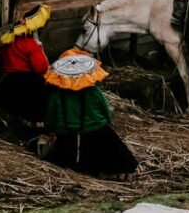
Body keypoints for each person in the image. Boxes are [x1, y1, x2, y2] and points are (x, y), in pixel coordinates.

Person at [42, 49, 139, 178]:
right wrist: (108, 123)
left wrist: (52, 130)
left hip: (67, 134)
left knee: (63, 157)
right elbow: (106, 111)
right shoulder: (94, 92)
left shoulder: (56, 94)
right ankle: (114, 171)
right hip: (95, 130)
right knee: (112, 146)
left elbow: (50, 117)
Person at [0, 4, 52, 135]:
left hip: (6, 81)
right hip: (26, 83)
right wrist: (40, 49)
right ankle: (39, 126)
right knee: (46, 93)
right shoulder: (31, 44)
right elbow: (41, 68)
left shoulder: (9, 40)